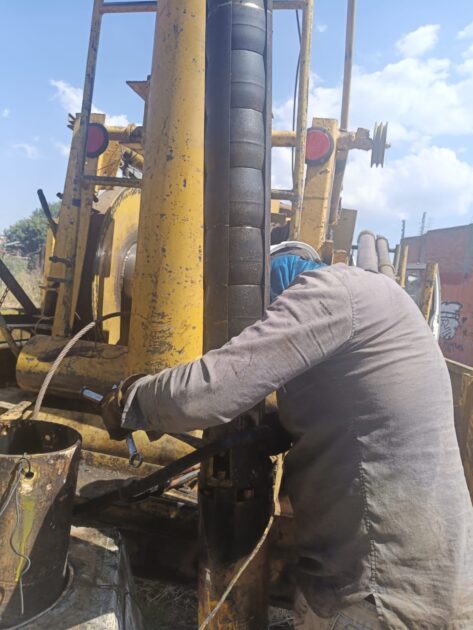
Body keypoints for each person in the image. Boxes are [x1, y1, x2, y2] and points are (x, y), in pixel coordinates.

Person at [103, 243, 473, 630]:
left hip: (378, 595)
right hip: (435, 581)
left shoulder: (329, 291)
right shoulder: (384, 303)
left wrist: (131, 400)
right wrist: (281, 425)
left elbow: (212, 390)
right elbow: (365, 414)